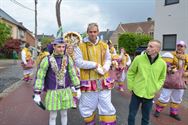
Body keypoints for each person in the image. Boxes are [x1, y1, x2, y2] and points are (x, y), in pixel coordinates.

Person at [74, 23, 116, 125]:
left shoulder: (104, 45)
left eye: (94, 31)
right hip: (88, 82)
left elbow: (108, 58)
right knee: (87, 106)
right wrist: (95, 65)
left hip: (103, 80)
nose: (93, 34)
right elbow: (78, 62)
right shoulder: (80, 46)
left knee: (106, 105)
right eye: (90, 32)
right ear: (87, 32)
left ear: (98, 32)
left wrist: (105, 68)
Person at [33, 38, 81, 125]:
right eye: (59, 47)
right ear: (54, 46)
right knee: (53, 116)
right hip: (53, 92)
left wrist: (77, 88)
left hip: (65, 91)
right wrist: (37, 93)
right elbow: (40, 77)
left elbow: (72, 74)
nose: (62, 49)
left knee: (64, 114)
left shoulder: (68, 58)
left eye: (63, 47)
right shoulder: (46, 60)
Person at [127, 40, 167, 125]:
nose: (147, 48)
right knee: (131, 115)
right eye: (148, 46)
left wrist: (156, 87)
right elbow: (131, 72)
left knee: (146, 118)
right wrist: (131, 86)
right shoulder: (139, 59)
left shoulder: (162, 64)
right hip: (136, 92)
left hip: (149, 94)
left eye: (151, 46)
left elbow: (162, 78)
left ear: (157, 49)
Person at [154, 40, 188, 121]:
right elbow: (165, 65)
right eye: (178, 45)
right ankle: (158, 110)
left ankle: (173, 113)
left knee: (177, 99)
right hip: (170, 81)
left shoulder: (186, 58)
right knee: (164, 97)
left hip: (180, 82)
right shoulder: (170, 55)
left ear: (185, 48)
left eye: (181, 46)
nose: (179, 47)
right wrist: (170, 69)